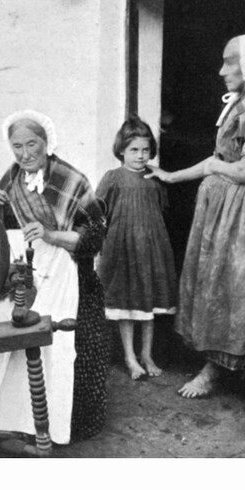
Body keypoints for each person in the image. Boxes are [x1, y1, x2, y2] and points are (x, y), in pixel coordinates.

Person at [0, 110, 109, 445]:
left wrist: (51, 235)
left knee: (56, 337)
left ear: (47, 143)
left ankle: (50, 421)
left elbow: (95, 237)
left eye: (31, 144)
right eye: (16, 146)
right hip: (22, 271)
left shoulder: (71, 179)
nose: (24, 153)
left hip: (68, 273)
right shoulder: (10, 179)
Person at [146, 34, 245, 398]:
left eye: (229, 62)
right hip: (228, 207)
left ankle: (219, 371)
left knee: (234, 287)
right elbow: (224, 160)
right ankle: (219, 365)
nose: (222, 71)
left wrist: (210, 166)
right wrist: (173, 176)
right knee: (217, 283)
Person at [96, 115, 177, 381]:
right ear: (121, 150)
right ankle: (130, 357)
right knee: (127, 302)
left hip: (151, 247)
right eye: (134, 150)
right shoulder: (113, 178)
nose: (141, 156)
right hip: (123, 248)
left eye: (145, 150)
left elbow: (161, 210)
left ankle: (147, 354)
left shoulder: (155, 178)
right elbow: (97, 212)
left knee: (149, 301)